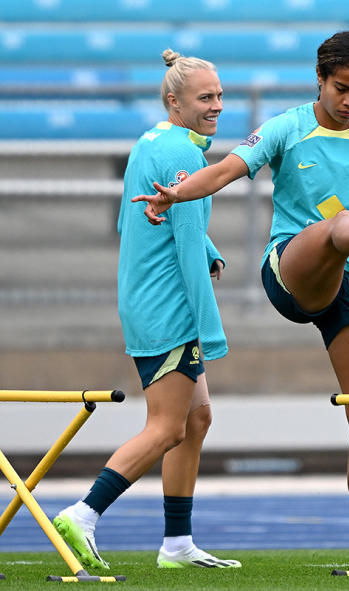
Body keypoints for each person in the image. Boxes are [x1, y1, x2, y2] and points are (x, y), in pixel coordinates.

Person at [133, 31, 349, 571]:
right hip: (291, 268)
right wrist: (177, 192)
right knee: (338, 226)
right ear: (320, 79)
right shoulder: (286, 127)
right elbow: (225, 170)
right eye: (342, 89)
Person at [53, 49, 241, 570]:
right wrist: (209, 326)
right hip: (167, 309)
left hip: (146, 300)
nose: (217, 106)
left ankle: (177, 544)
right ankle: (83, 513)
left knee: (196, 418)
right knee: (166, 427)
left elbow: (141, 227)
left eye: (220, 95)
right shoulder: (183, 154)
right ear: (173, 100)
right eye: (206, 98)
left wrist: (209, 251)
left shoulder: (152, 141)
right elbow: (183, 244)